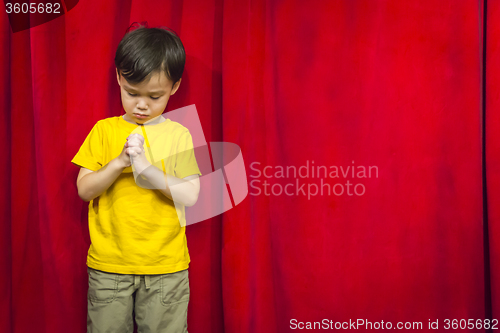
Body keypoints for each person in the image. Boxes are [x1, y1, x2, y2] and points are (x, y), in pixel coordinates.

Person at [71, 24, 201, 333]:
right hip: (109, 267)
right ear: (118, 77)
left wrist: (148, 170)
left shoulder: (180, 133)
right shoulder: (104, 130)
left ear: (175, 86)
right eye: (132, 93)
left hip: (165, 268)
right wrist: (119, 163)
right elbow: (84, 190)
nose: (142, 105)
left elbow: (192, 196)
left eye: (154, 96)